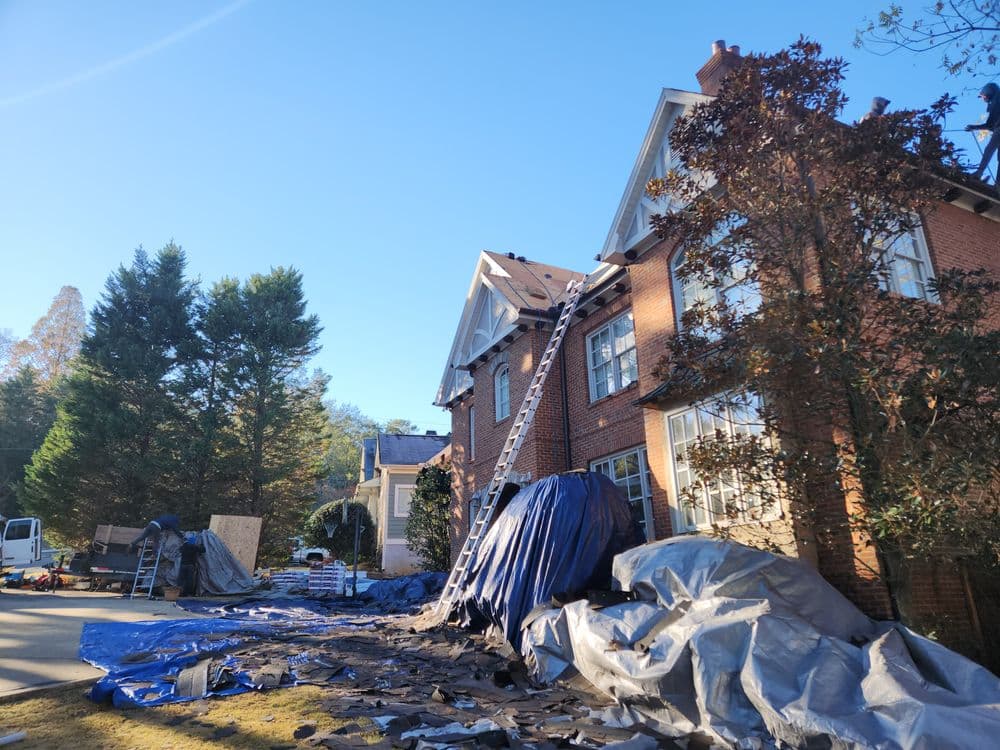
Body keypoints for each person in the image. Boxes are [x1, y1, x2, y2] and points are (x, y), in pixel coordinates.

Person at [966, 83, 1000, 183]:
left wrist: (974, 127)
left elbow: (990, 124)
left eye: (983, 96)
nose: (983, 99)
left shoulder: (996, 100)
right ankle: (998, 184)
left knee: (989, 149)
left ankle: (979, 173)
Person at [178, 532, 205, 596]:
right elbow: (203, 550)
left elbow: (179, 550)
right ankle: (189, 593)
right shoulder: (193, 546)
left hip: (182, 565)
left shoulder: (183, 546)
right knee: (189, 580)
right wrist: (201, 545)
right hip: (190, 566)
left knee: (181, 580)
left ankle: (180, 593)